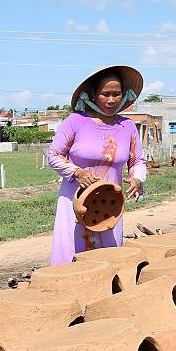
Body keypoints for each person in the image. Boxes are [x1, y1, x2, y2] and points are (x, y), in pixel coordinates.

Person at [46, 65, 147, 265]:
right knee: (71, 256)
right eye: (105, 94)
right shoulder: (75, 122)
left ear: (124, 95)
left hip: (109, 204)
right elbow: (54, 155)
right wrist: (77, 173)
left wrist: (137, 178)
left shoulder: (127, 127)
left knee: (109, 258)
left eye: (116, 94)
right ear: (93, 94)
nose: (111, 100)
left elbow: (137, 160)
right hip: (75, 202)